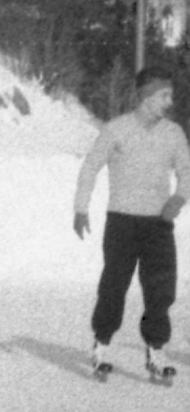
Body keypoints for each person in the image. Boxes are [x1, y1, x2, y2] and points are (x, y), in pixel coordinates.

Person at [73, 66, 190, 380]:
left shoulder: (173, 133)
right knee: (114, 286)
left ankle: (155, 352)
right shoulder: (117, 129)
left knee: (160, 292)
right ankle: (101, 345)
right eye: (164, 94)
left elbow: (187, 171)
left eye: (170, 94)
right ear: (147, 96)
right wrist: (81, 209)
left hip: (158, 224)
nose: (170, 100)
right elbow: (90, 167)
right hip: (122, 223)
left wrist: (178, 199)